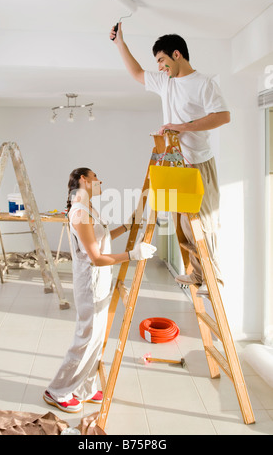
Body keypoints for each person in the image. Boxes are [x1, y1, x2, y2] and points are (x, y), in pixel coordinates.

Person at [110, 23, 230, 297]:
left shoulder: (204, 83)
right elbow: (137, 73)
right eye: (158, 63)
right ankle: (199, 275)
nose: (160, 67)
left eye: (162, 60)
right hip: (176, 161)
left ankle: (215, 280)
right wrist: (120, 44)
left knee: (204, 222)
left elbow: (223, 116)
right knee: (184, 223)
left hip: (199, 161)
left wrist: (182, 127)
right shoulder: (166, 82)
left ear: (177, 54)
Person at [43, 167, 156, 413]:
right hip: (90, 284)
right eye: (96, 177)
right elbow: (96, 257)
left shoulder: (88, 208)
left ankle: (86, 387)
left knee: (96, 340)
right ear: (84, 180)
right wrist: (132, 255)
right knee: (86, 339)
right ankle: (57, 390)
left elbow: (101, 239)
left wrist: (126, 227)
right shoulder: (80, 213)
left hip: (100, 281)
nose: (100, 180)